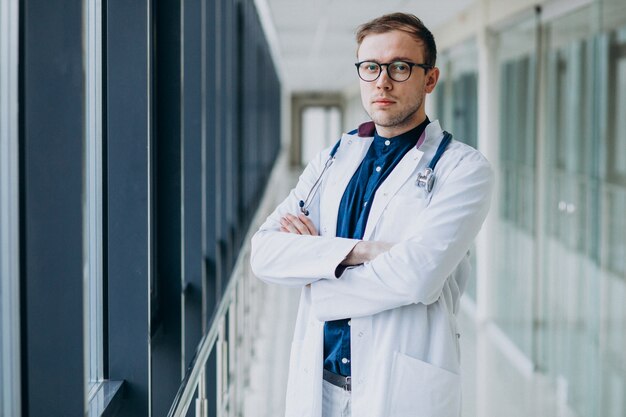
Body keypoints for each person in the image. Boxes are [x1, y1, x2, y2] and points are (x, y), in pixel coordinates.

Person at [251, 12, 493, 417]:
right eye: (370, 67)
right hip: (320, 384)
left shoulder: (464, 168)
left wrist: (316, 273)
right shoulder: (335, 156)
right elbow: (263, 252)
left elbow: (418, 276)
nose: (382, 81)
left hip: (399, 389)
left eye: (400, 67)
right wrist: (361, 252)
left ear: (429, 79)